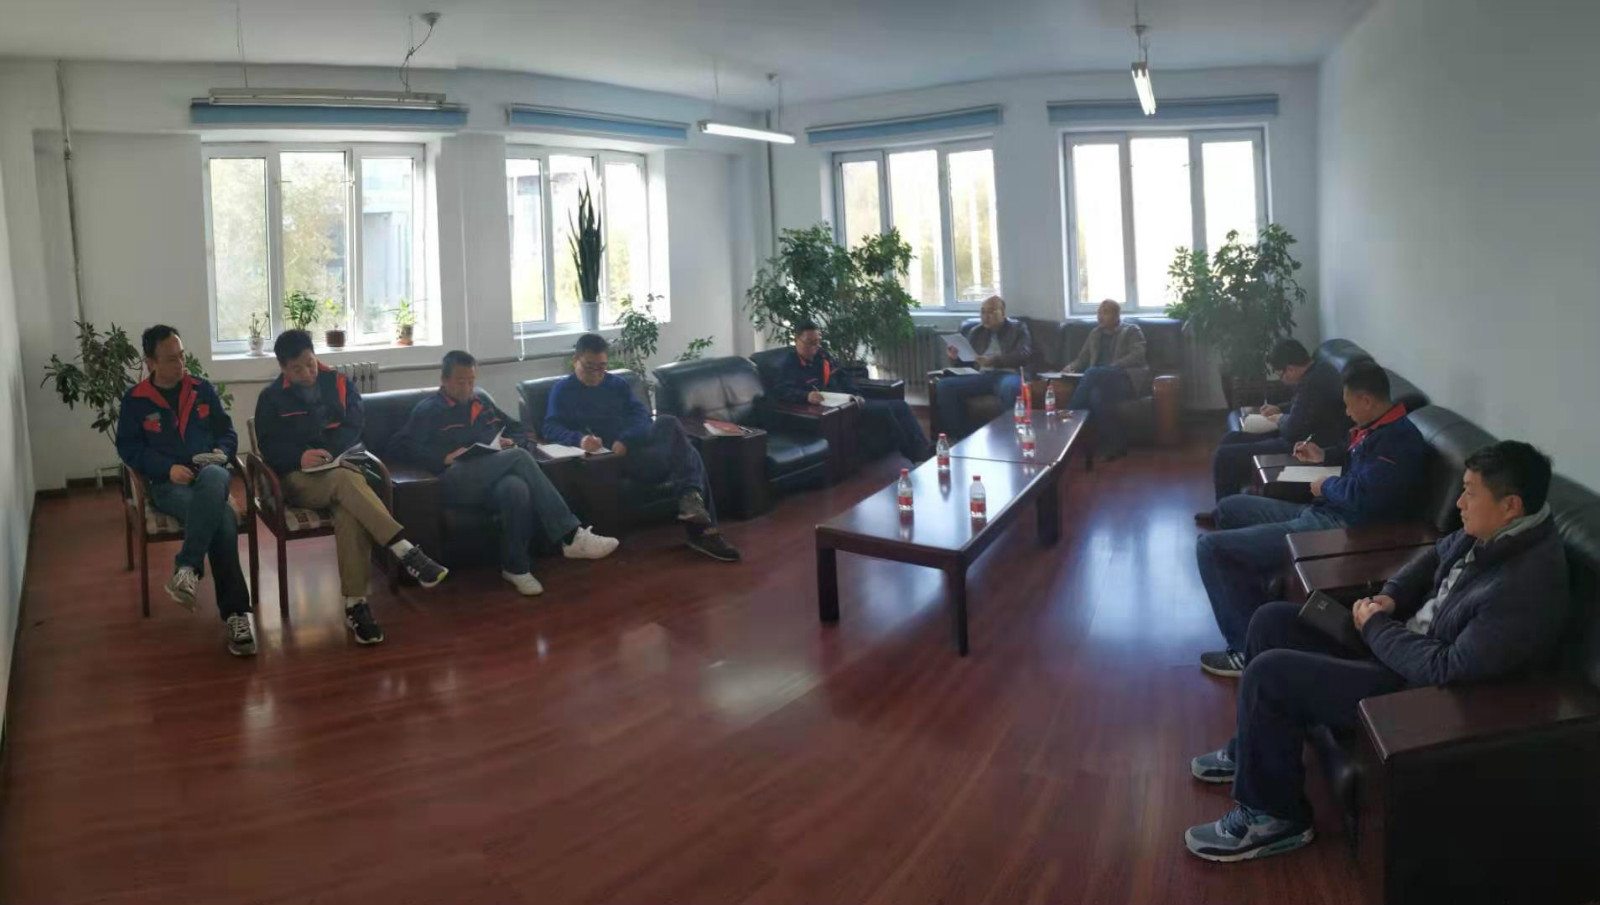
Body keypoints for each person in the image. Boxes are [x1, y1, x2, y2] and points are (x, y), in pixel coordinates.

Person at [1185, 441, 1569, 863]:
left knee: (1270, 675)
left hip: (1415, 690)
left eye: (1470, 493)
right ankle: (1252, 753)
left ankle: (1274, 817)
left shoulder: (1525, 586)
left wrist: (1376, 628)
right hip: (1395, 642)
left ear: (1511, 505)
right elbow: (1433, 556)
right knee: (1271, 620)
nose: (1459, 503)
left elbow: (1445, 669)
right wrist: (1391, 594)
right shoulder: (1494, 532)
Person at [1194, 360, 1427, 677]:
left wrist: (1326, 484)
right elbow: (1349, 458)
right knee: (1229, 509)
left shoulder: (1399, 442)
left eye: (1349, 405)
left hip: (1341, 526)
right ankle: (1256, 602)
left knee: (1210, 548)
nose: (1347, 413)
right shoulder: (1375, 427)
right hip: (1323, 510)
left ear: (1366, 401)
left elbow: (1365, 499)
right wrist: (1323, 455)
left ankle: (1245, 651)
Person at [254, 329, 448, 645]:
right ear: (282, 367)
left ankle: (356, 605)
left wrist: (330, 453)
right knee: (347, 481)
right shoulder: (271, 398)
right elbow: (269, 447)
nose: (307, 373)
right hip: (297, 479)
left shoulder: (340, 384)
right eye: (297, 369)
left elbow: (355, 425)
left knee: (348, 507)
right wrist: (300, 457)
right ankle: (404, 549)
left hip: (341, 468)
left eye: (310, 363)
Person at [390, 351, 618, 596]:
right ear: (444, 381)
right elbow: (399, 446)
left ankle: (516, 568)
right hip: (452, 480)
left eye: (471, 381)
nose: (467, 388)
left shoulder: (481, 403)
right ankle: (571, 535)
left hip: (489, 475)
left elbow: (518, 428)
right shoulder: (429, 410)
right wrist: (443, 456)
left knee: (514, 487)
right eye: (460, 381)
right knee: (519, 458)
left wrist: (512, 441)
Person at [114, 325, 256, 656]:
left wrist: (221, 452)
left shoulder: (201, 389)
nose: (180, 364)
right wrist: (167, 469)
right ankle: (236, 613)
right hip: (167, 485)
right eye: (170, 359)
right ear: (150, 363)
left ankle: (187, 569)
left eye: (181, 356)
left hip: (210, 474)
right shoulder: (136, 401)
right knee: (222, 518)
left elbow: (227, 433)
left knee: (215, 476)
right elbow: (129, 449)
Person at [542, 333, 741, 563]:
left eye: (602, 367)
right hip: (611, 461)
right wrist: (580, 439)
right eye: (589, 367)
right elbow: (550, 427)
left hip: (636, 448)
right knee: (690, 454)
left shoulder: (616, 384)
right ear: (575, 360)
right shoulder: (563, 390)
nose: (596, 373)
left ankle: (692, 503)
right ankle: (704, 531)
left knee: (668, 422)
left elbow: (641, 415)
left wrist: (626, 439)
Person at [1197, 338, 1350, 524]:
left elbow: (1293, 430)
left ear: (1290, 369)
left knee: (1224, 455)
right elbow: (1303, 407)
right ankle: (1228, 508)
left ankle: (1224, 515)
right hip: (1303, 434)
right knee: (1231, 438)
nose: (1282, 381)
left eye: (1281, 375)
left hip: (1305, 445)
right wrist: (1279, 409)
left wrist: (1279, 419)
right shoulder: (1319, 370)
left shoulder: (1314, 382)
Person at [776, 321, 931, 463]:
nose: (815, 347)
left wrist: (856, 394)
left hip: (850, 401)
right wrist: (807, 396)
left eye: (817, 341)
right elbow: (783, 391)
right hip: (832, 410)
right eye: (810, 342)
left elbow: (843, 377)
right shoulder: (789, 365)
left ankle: (923, 448)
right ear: (796, 340)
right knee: (885, 411)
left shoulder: (822, 355)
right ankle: (915, 454)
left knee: (901, 406)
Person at [936, 295, 1032, 439]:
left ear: (1003, 313)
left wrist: (994, 361)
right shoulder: (976, 331)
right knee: (944, 386)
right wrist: (955, 358)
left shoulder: (1018, 328)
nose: (986, 316)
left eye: (992, 311)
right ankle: (960, 438)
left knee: (1011, 387)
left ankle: (1012, 437)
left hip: (1008, 374)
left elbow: (1024, 354)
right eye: (983, 312)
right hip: (982, 376)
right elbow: (969, 362)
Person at [1064, 299, 1148, 462]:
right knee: (1096, 395)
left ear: (1116, 315)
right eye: (1098, 312)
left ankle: (1071, 415)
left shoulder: (1131, 330)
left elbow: (1138, 355)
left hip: (1124, 377)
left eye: (1105, 312)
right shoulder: (1095, 333)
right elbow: (1082, 358)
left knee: (1092, 373)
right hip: (1099, 380)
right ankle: (1115, 444)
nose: (1100, 316)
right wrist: (1070, 367)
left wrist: (1113, 366)